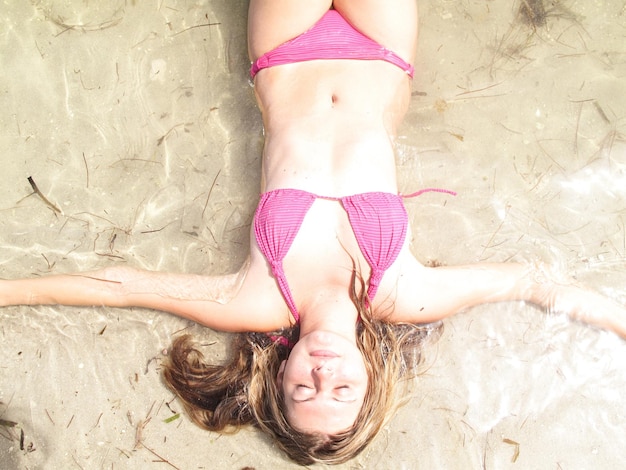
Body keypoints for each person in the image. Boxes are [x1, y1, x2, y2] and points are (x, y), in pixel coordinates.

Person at [1, 0, 625, 465]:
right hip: (381, 53)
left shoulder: (258, 300)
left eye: (304, 387)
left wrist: (5, 293)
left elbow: (120, 287)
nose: (323, 373)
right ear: (370, 380)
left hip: (286, 49)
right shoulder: (404, 294)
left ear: (280, 373)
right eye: (342, 388)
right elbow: (530, 280)